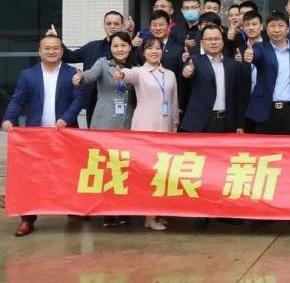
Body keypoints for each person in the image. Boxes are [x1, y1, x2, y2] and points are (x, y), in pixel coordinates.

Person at [2, 34, 87, 237]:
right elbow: (18, 99)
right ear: (40, 51)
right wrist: (8, 118)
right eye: (47, 48)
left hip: (66, 134)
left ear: (62, 51)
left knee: (70, 173)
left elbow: (79, 99)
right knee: (32, 177)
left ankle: (73, 208)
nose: (51, 51)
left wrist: (66, 118)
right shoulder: (28, 75)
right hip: (36, 136)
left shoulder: (73, 73)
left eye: (56, 48)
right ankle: (27, 219)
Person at [72, 31, 137, 228]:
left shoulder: (136, 66)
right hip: (105, 122)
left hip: (128, 122)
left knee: (125, 167)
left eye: (123, 45)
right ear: (110, 48)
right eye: (116, 46)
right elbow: (89, 76)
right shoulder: (102, 63)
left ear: (130, 47)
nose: (120, 49)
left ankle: (124, 210)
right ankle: (107, 210)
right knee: (107, 168)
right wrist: (80, 78)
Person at [116, 37, 179, 231]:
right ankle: (149, 216)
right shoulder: (140, 72)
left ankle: (157, 212)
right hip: (145, 126)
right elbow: (128, 74)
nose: (154, 52)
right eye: (150, 48)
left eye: (158, 48)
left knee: (163, 171)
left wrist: (175, 124)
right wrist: (121, 74)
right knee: (148, 172)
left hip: (166, 127)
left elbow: (174, 101)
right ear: (143, 53)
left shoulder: (169, 74)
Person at [48, 11, 132, 127]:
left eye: (116, 24)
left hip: (124, 100)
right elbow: (70, 57)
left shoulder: (130, 50)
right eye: (108, 23)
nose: (112, 26)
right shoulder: (92, 47)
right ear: (104, 25)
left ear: (122, 26)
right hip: (94, 100)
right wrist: (56, 41)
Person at [244, 12, 290, 134]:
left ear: (287, 29)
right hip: (266, 112)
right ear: (266, 29)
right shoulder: (260, 47)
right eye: (272, 26)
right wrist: (251, 55)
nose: (276, 30)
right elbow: (256, 55)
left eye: (280, 26)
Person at [180, 24, 243, 134]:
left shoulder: (232, 64)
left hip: (226, 122)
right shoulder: (194, 61)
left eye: (217, 39)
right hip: (200, 122)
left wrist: (239, 124)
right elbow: (186, 72)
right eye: (209, 39)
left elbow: (238, 96)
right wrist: (187, 72)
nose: (213, 42)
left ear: (223, 41)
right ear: (202, 43)